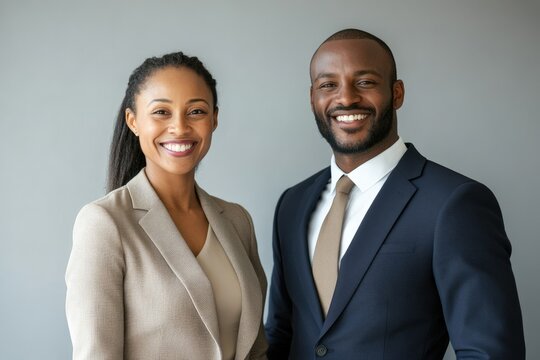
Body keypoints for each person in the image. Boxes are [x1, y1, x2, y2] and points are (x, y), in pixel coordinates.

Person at [265, 29, 525, 359]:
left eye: (365, 82)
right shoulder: (293, 204)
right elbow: (280, 332)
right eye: (328, 85)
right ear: (313, 97)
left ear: (397, 93)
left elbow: (490, 352)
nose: (346, 98)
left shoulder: (454, 203)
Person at [66, 52, 267, 360]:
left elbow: (255, 348)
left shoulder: (238, 220)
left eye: (196, 111)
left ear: (214, 118)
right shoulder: (104, 223)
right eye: (161, 112)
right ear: (133, 121)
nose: (180, 127)